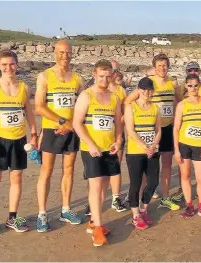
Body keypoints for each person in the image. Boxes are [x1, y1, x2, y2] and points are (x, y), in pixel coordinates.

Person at [0, 50, 38, 236]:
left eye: (12, 64)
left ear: (17, 64)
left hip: (18, 140)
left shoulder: (24, 87)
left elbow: (29, 112)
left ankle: (12, 217)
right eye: (4, 65)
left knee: (16, 179)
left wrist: (34, 134)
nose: (8, 68)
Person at [35, 40, 84, 232]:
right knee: (46, 171)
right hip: (52, 130)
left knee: (69, 170)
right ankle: (42, 214)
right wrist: (62, 122)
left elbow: (82, 105)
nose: (65, 56)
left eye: (68, 52)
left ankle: (66, 209)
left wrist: (72, 125)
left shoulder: (77, 78)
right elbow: (39, 106)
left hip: (71, 131)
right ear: (55, 53)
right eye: (61, 52)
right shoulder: (45, 76)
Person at [73, 59, 123, 247]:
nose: (104, 79)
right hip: (91, 149)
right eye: (101, 76)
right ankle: (98, 228)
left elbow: (118, 123)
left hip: (109, 148)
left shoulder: (114, 97)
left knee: (104, 187)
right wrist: (90, 144)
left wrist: (118, 141)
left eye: (108, 76)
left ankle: (94, 221)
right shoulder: (86, 95)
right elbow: (77, 123)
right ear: (94, 75)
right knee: (95, 187)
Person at [124, 54, 180, 211]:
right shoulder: (149, 83)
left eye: (165, 65)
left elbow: (180, 101)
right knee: (144, 166)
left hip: (167, 128)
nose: (162, 68)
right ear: (154, 67)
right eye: (159, 65)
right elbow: (128, 101)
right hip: (149, 130)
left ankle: (165, 197)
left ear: (168, 66)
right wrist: (129, 117)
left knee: (167, 165)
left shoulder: (172, 83)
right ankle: (138, 196)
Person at [174, 74, 201, 219]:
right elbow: (176, 128)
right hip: (184, 144)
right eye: (190, 85)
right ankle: (189, 205)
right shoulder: (181, 105)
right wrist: (176, 150)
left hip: (200, 145)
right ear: (186, 86)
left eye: (195, 85)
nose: (193, 88)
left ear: (200, 86)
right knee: (185, 176)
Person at [124, 77, 161, 229]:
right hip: (135, 151)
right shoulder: (131, 107)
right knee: (136, 183)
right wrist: (144, 146)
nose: (146, 92)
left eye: (149, 89)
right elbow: (130, 131)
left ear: (152, 91)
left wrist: (153, 145)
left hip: (152, 150)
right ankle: (135, 215)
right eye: (143, 89)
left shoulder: (155, 108)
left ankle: (144, 209)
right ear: (138, 90)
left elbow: (158, 130)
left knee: (153, 182)